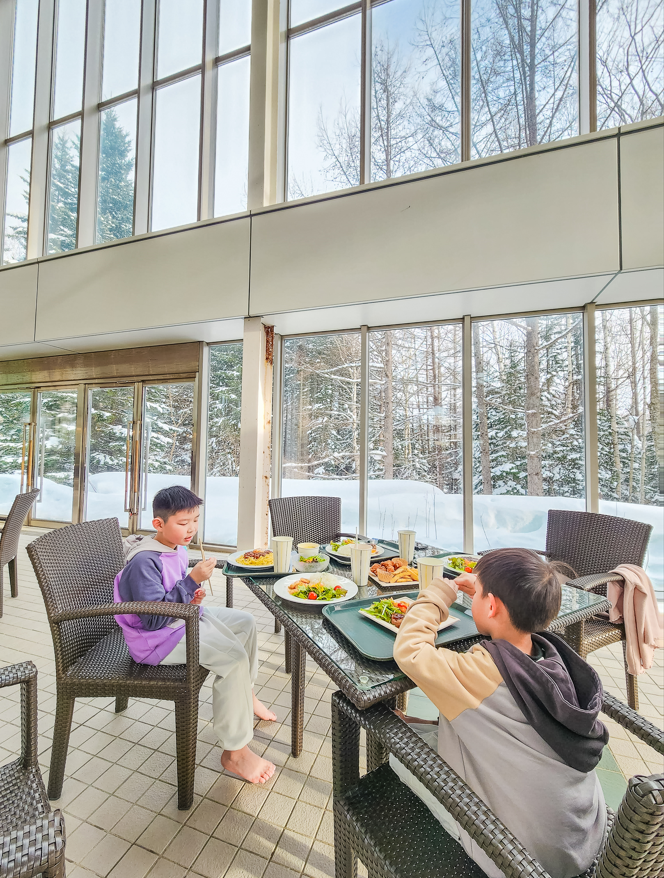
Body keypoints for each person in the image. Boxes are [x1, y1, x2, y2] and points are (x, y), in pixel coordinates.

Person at [392, 548, 609, 878]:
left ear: (491, 606)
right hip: (581, 834)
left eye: (478, 593)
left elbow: (409, 650)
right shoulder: (553, 659)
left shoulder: (479, 672)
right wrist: (483, 594)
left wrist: (442, 590)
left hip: (520, 854)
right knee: (436, 728)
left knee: (396, 756)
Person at [114, 485, 277, 784]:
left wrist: (191, 596)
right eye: (182, 523)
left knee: (245, 622)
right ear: (159, 524)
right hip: (157, 641)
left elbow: (171, 596)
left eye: (195, 520)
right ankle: (235, 752)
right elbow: (151, 619)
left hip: (181, 620)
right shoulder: (144, 561)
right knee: (234, 660)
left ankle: (246, 693)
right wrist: (190, 582)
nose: (191, 530)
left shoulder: (175, 546)